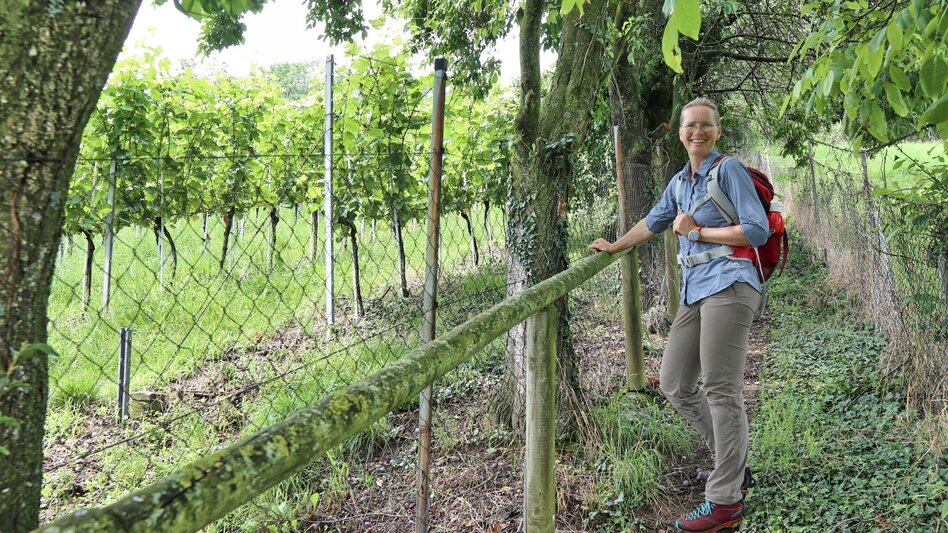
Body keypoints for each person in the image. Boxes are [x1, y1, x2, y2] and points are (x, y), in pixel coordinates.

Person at [589, 97, 769, 533]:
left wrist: (698, 231)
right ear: (680, 132)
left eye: (706, 125)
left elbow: (757, 229)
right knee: (674, 382)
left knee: (721, 389)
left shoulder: (728, 170)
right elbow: (653, 222)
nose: (697, 132)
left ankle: (725, 501)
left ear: (717, 131)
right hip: (696, 290)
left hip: (730, 283)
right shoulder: (679, 183)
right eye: (690, 126)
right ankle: (733, 464)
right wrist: (615, 246)